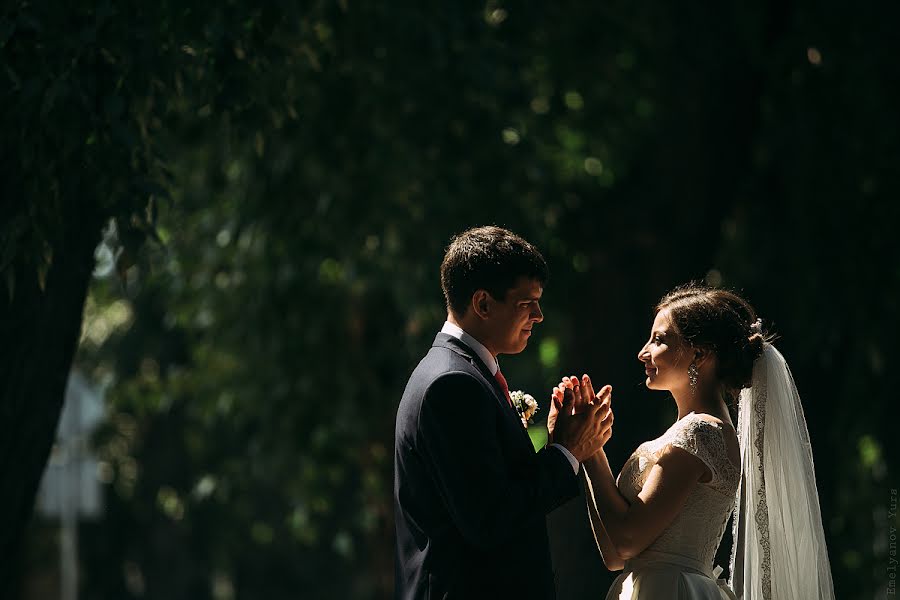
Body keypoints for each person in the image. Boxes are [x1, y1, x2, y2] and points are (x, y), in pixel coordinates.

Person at [551, 283, 834, 599]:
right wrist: (590, 450)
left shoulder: (700, 434)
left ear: (699, 354)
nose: (643, 352)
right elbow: (616, 556)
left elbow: (626, 540)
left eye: (659, 340)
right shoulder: (695, 431)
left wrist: (589, 449)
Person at [393, 226, 613, 600]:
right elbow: (489, 520)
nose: (540, 316)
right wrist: (567, 454)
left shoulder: (461, 373)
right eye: (527, 303)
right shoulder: (452, 385)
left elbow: (493, 492)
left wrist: (556, 440)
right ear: (483, 304)